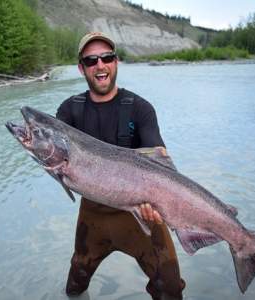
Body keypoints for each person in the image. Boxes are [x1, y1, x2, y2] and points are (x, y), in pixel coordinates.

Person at [56, 32, 186, 300]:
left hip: (143, 215)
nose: (100, 65)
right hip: (93, 216)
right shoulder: (69, 112)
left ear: (116, 62)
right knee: (75, 286)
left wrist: (160, 202)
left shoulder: (140, 109)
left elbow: (160, 160)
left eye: (107, 57)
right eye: (91, 60)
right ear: (81, 68)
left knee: (171, 289)